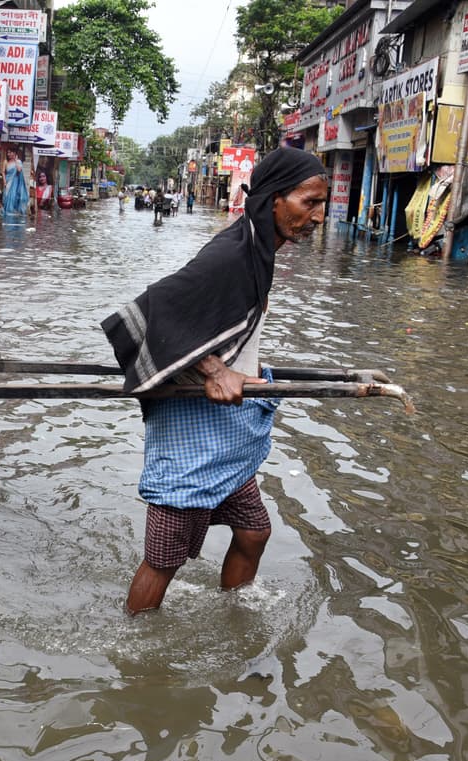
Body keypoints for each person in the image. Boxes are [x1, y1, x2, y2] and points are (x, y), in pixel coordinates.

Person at [101, 147, 328, 614]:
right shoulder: (231, 253)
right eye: (309, 202)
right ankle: (135, 652)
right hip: (193, 428)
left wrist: (243, 372)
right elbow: (155, 308)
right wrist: (214, 369)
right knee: (163, 561)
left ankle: (233, 615)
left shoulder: (257, 251)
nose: (318, 216)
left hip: (226, 429)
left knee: (252, 533)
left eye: (323, 204)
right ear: (273, 200)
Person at [2, 146, 28, 216]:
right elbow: (3, 172)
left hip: (15, 183)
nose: (8, 154)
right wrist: (4, 182)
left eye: (10, 152)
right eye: (7, 153)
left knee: (14, 197)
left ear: (14, 153)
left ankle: (13, 213)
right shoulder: (5, 162)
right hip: (7, 182)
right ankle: (7, 213)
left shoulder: (18, 161)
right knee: (6, 198)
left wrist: (16, 161)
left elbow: (19, 170)